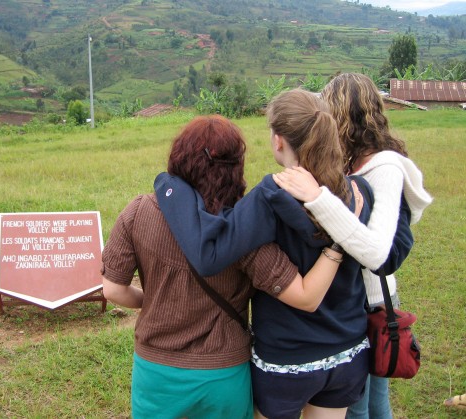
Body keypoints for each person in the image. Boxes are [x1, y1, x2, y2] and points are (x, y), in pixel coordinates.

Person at [153, 89, 389, 419]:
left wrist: (169, 185)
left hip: (287, 361)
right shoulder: (358, 191)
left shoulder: (270, 196)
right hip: (347, 353)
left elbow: (209, 255)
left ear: (278, 140)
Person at [101, 114, 350, 419]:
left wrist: (148, 300)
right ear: (235, 168)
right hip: (223, 373)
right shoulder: (242, 227)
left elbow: (112, 288)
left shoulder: (139, 211)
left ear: (179, 157)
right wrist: (339, 242)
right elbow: (306, 297)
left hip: (157, 372)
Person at [272, 73, 433, 419]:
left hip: (370, 302)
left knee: (357, 407)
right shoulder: (352, 163)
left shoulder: (384, 167)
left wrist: (317, 199)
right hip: (355, 299)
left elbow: (375, 252)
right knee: (371, 403)